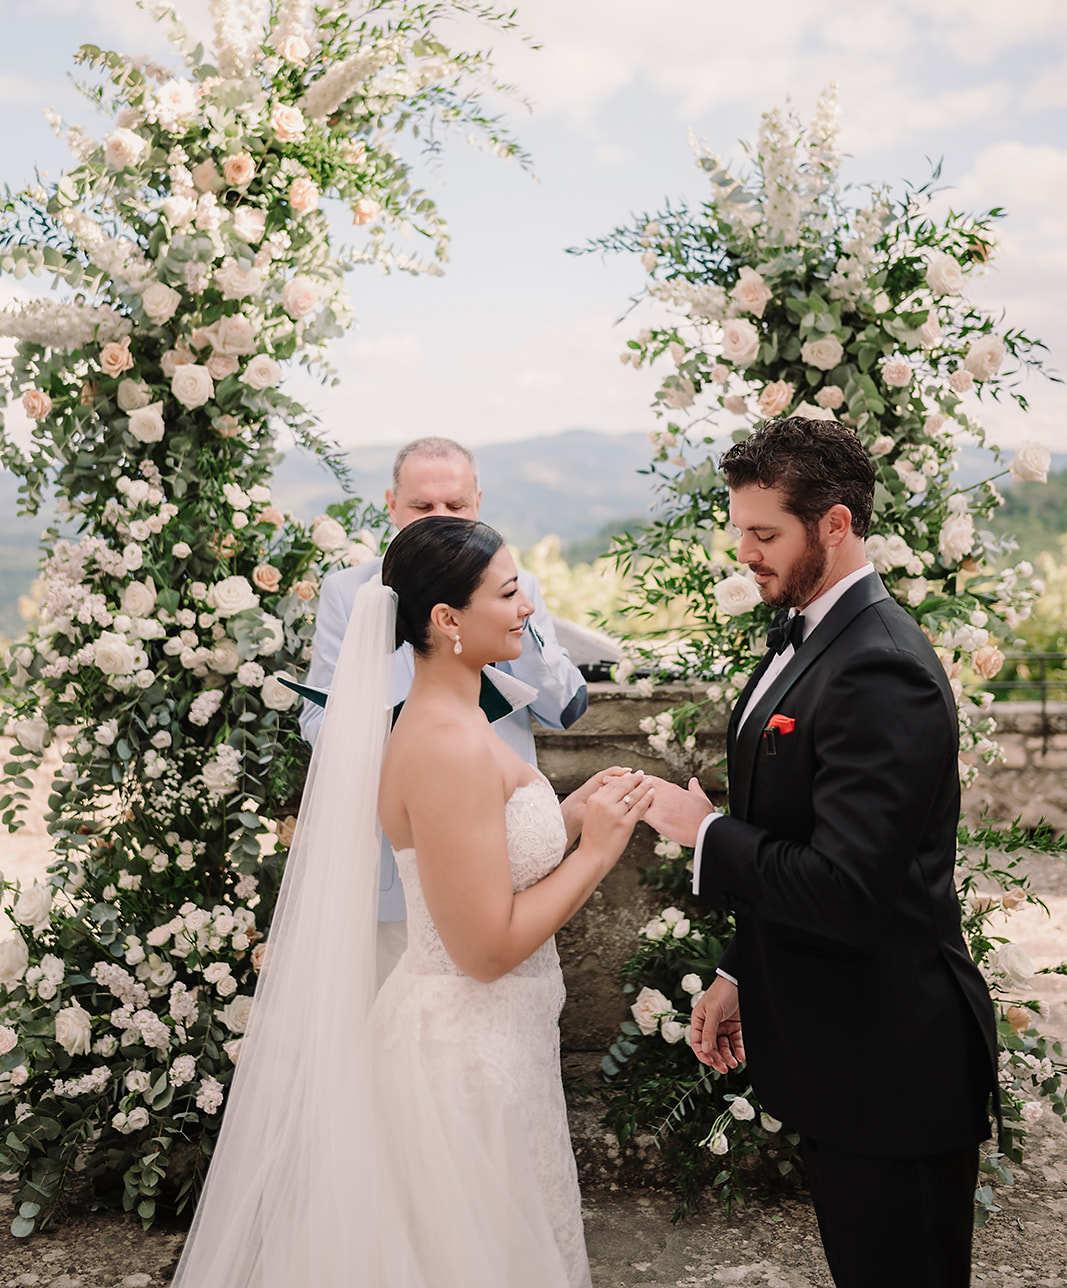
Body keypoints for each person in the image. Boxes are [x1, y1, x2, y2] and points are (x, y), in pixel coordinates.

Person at [170, 517, 653, 1288]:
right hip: (463, 1066)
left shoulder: (455, 717)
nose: (526, 605)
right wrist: (595, 853)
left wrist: (565, 817)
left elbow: (476, 860)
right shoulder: (445, 743)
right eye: (507, 591)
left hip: (497, 1049)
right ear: (446, 619)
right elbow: (484, 948)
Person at [644, 417, 998, 1288]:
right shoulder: (808, 634)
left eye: (765, 535)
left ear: (834, 525)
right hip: (843, 1058)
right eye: (740, 533)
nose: (746, 554)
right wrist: (737, 973)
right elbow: (805, 836)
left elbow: (845, 889)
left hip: (894, 1068)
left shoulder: (882, 667)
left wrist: (704, 834)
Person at [300, 436, 588, 980]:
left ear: (478, 503)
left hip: (504, 858)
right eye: (422, 505)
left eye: (455, 506)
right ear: (391, 504)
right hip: (395, 863)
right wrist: (416, 737)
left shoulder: (517, 590)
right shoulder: (351, 594)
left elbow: (563, 708)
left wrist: (513, 612)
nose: (440, 517)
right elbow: (318, 721)